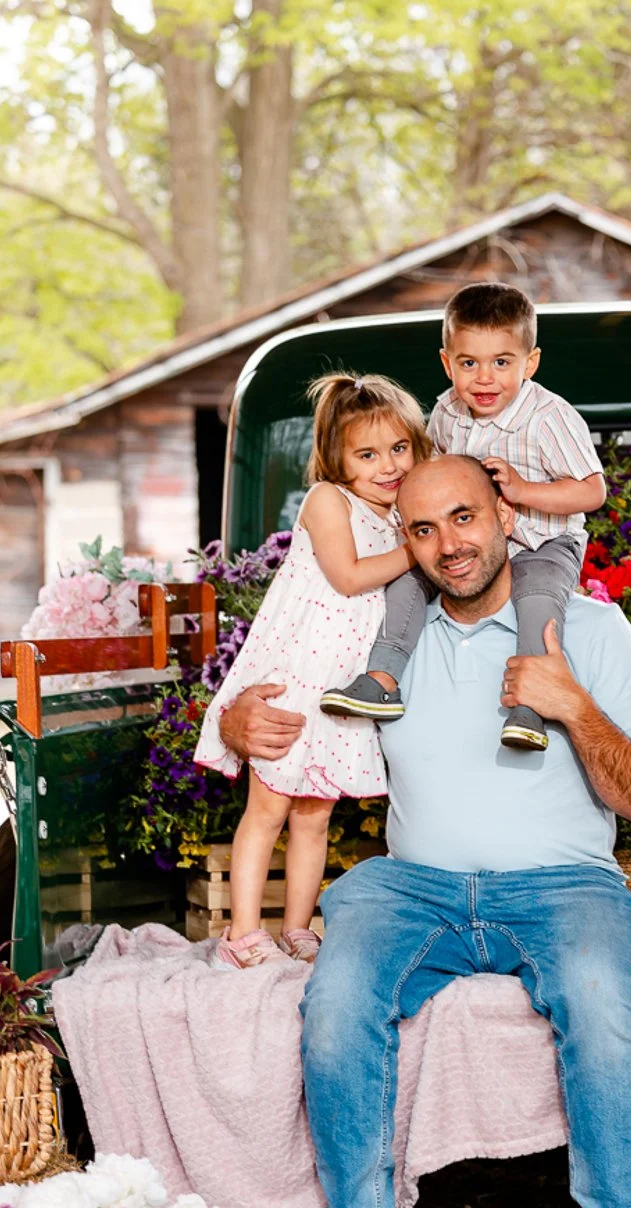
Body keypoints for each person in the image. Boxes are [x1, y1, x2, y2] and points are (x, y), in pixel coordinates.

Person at [220, 454, 631, 1208]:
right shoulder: (379, 635)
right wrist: (237, 724)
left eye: (463, 519)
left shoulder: (587, 627)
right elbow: (275, 688)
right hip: (412, 884)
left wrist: (574, 707)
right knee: (337, 1003)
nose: (447, 546)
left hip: (563, 883)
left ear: (505, 516)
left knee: (600, 997)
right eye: (422, 530)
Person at [194, 373, 431, 968]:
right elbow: (349, 575)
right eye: (368, 454)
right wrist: (420, 547)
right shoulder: (330, 501)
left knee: (314, 814)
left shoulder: (396, 515)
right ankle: (244, 932)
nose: (387, 465)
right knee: (268, 808)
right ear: (336, 458)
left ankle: (298, 928)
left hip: (338, 690)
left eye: (399, 449)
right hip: (296, 682)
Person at [320, 282, 607, 752]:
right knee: (408, 578)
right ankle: (382, 679)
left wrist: (522, 490)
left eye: (502, 362)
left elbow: (592, 491)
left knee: (535, 599)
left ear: (529, 363)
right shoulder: (447, 412)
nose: (484, 379)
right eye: (469, 363)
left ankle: (530, 706)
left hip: (543, 541)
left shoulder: (549, 417)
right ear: (447, 362)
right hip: (473, 546)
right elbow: (431, 473)